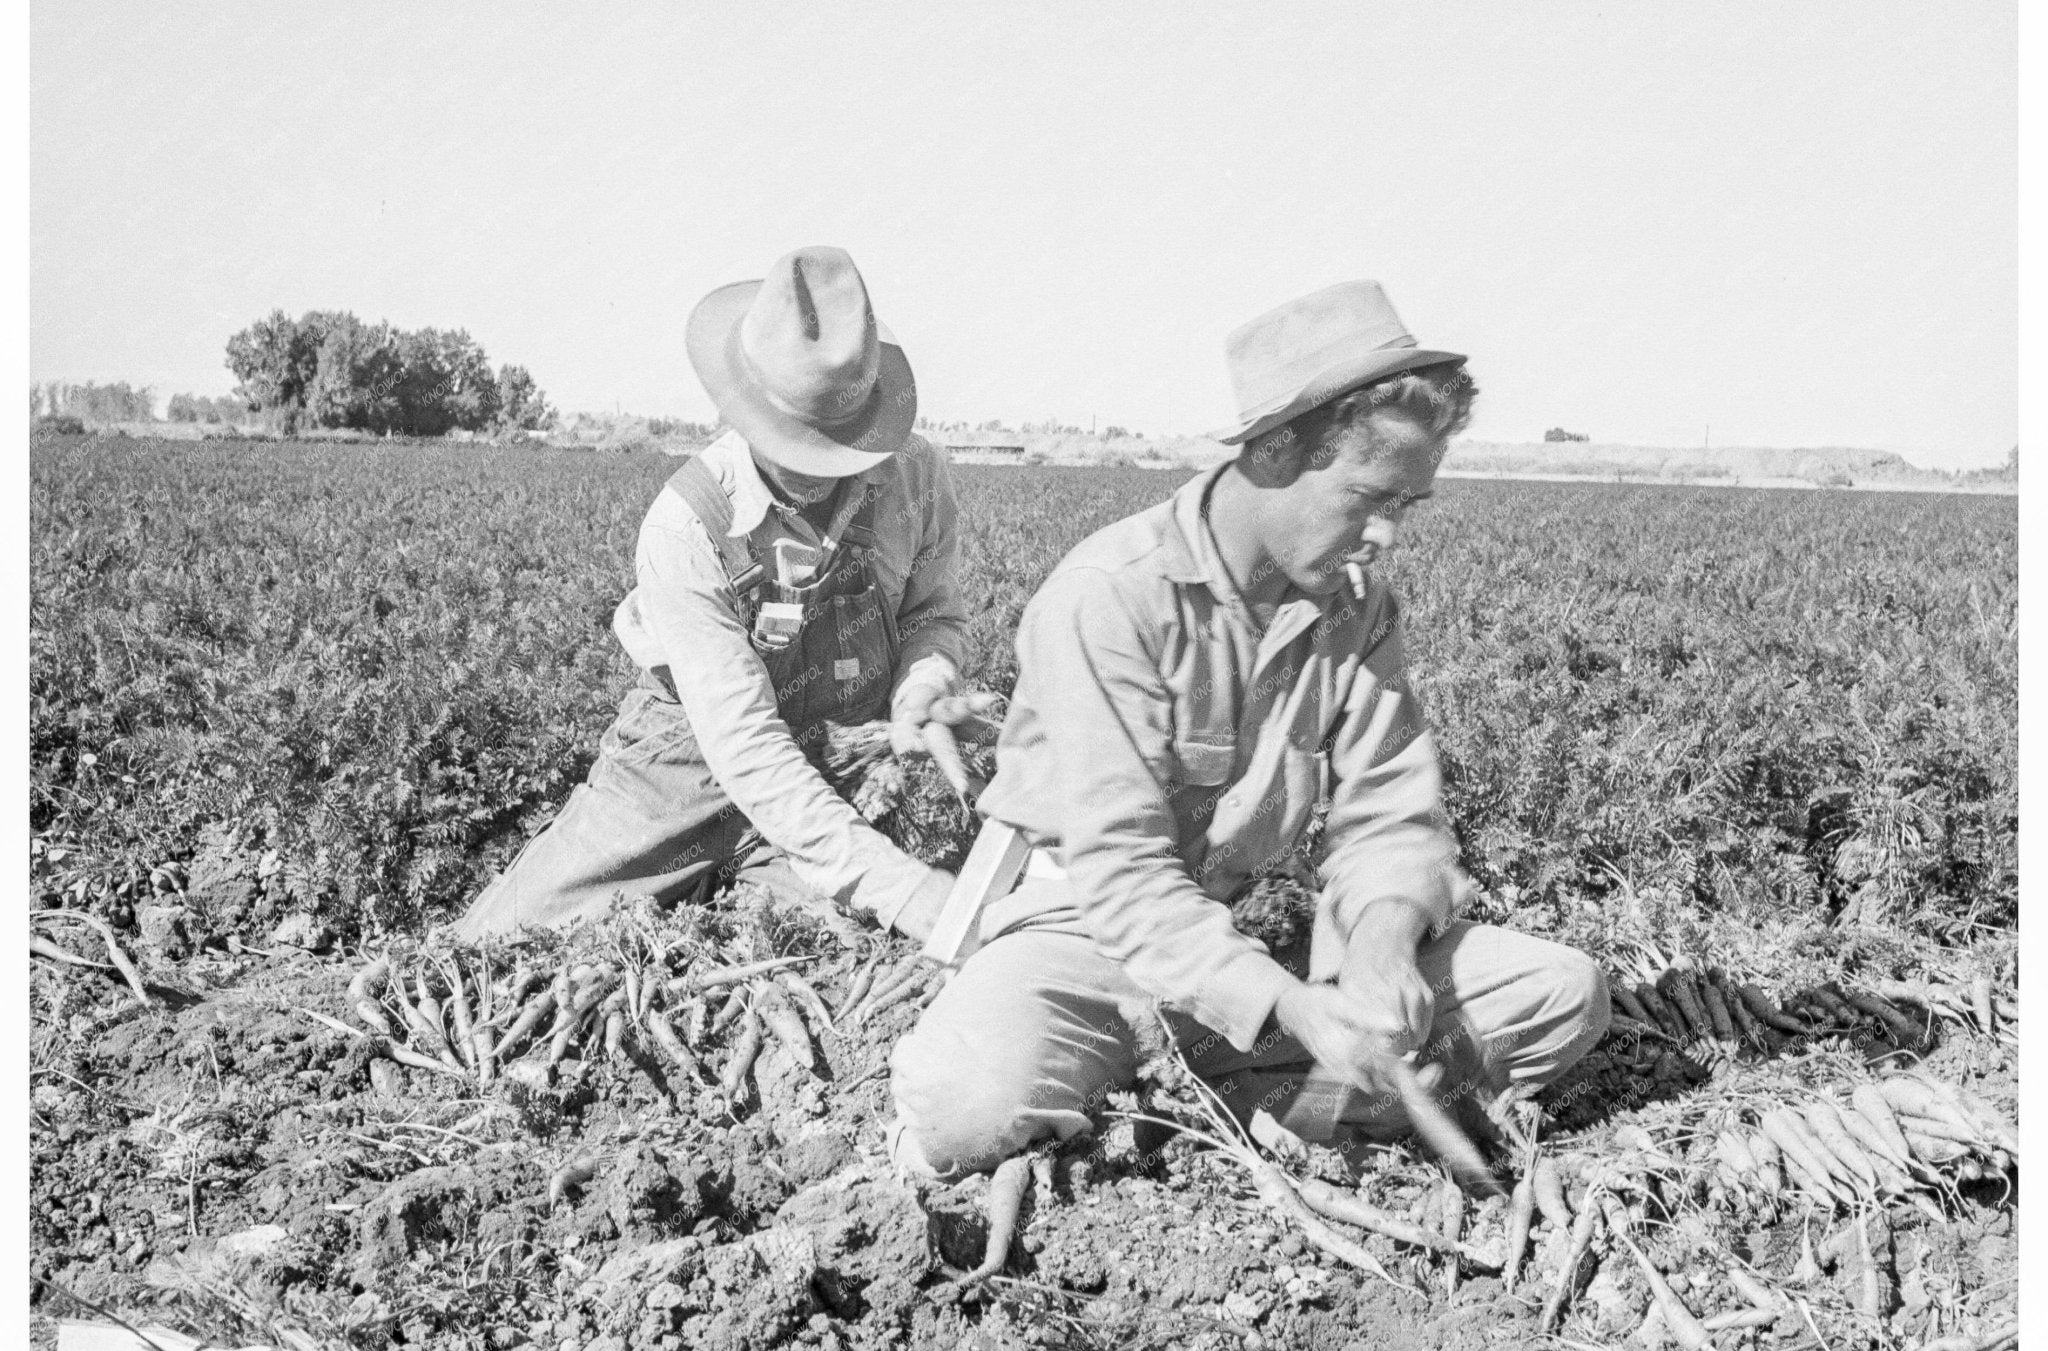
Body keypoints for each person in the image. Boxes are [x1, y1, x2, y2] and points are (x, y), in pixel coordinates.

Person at [890, 279, 1607, 1178]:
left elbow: (1390, 813)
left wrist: (1382, 946)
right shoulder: (1111, 598)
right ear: (1274, 455)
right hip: (1088, 935)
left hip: (1250, 937)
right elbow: (1123, 877)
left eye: (1406, 507)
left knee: (1560, 996)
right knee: (963, 1115)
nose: (1384, 536)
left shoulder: (1355, 609)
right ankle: (1269, 1088)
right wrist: (1293, 1007)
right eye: (1368, 497)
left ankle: (1247, 1102)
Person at [455, 247, 983, 944]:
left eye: (836, 444)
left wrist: (923, 681)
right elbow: (745, 741)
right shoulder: (687, 528)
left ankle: (765, 877)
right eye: (795, 444)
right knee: (491, 944)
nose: (816, 473)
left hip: (827, 769)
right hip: (678, 776)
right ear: (747, 406)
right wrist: (905, 888)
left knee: (861, 949)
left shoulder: (916, 478)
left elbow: (934, 616)